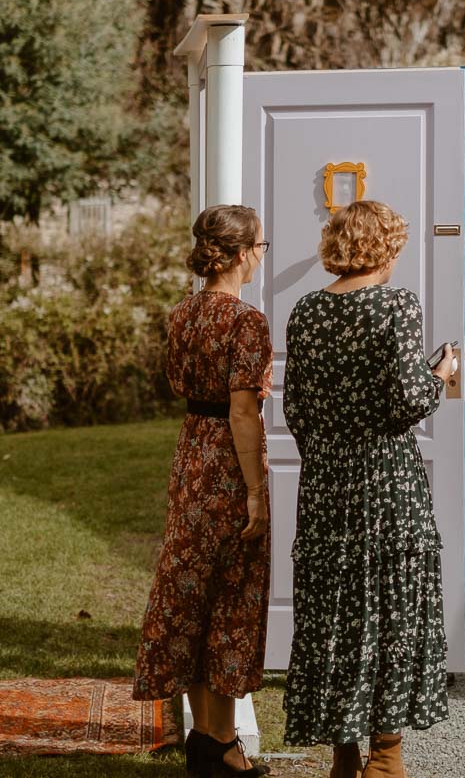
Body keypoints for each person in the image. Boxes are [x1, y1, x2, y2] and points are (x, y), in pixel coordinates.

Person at [282, 200, 456, 778]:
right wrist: (441, 375)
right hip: (386, 484)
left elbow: (296, 409)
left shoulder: (306, 310)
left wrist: (330, 457)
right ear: (387, 248)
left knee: (335, 614)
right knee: (389, 609)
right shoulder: (395, 305)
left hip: (327, 483)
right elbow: (409, 400)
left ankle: (343, 758)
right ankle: (386, 759)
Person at [133, 204, 273, 778]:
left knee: (191, 596)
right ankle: (221, 744)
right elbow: (243, 411)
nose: (261, 257)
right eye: (260, 248)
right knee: (230, 602)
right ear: (241, 255)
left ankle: (204, 739)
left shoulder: (181, 314)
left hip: (190, 454)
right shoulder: (246, 321)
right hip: (224, 464)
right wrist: (257, 491)